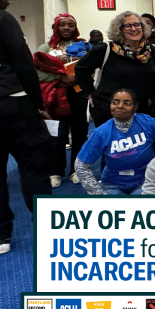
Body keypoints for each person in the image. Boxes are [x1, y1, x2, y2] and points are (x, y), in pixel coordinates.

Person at [0, 0, 52, 255]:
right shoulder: (0, 19)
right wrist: (38, 103)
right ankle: (47, 230)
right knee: (33, 166)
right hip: (13, 103)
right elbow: (24, 65)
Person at [75, 88, 155, 195]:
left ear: (135, 107)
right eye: (115, 102)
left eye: (127, 103)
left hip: (145, 182)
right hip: (112, 185)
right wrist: (99, 194)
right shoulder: (101, 133)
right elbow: (81, 165)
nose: (120, 106)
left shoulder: (147, 123)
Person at [75, 11, 155, 128]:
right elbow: (81, 69)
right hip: (109, 112)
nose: (133, 28)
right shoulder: (106, 49)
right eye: (128, 25)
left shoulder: (150, 50)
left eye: (137, 25)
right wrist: (90, 93)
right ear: (119, 29)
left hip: (142, 111)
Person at [34, 13, 89, 188]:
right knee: (58, 134)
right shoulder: (46, 48)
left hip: (78, 92)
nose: (66, 28)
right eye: (62, 25)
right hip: (56, 96)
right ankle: (55, 171)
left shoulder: (84, 46)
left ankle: (77, 170)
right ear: (56, 27)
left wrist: (75, 78)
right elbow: (38, 72)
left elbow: (90, 69)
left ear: (76, 27)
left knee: (80, 132)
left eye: (70, 25)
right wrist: (59, 75)